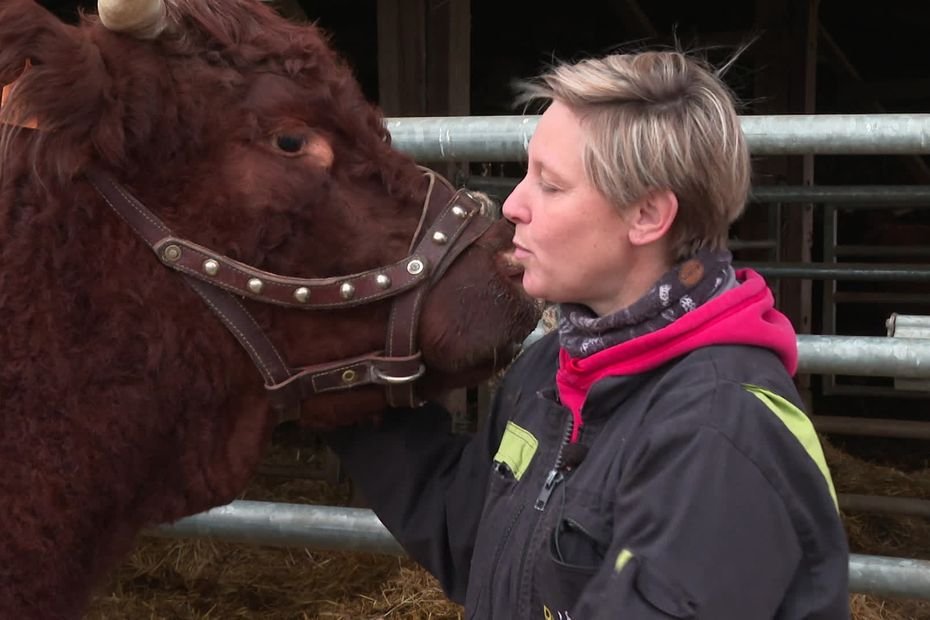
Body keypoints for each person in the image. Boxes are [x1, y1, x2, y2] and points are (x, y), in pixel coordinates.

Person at [326, 48, 850, 619]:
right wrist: (341, 379)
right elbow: (470, 537)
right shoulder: (555, 368)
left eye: (550, 185)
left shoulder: (718, 434)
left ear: (647, 216)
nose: (514, 204)